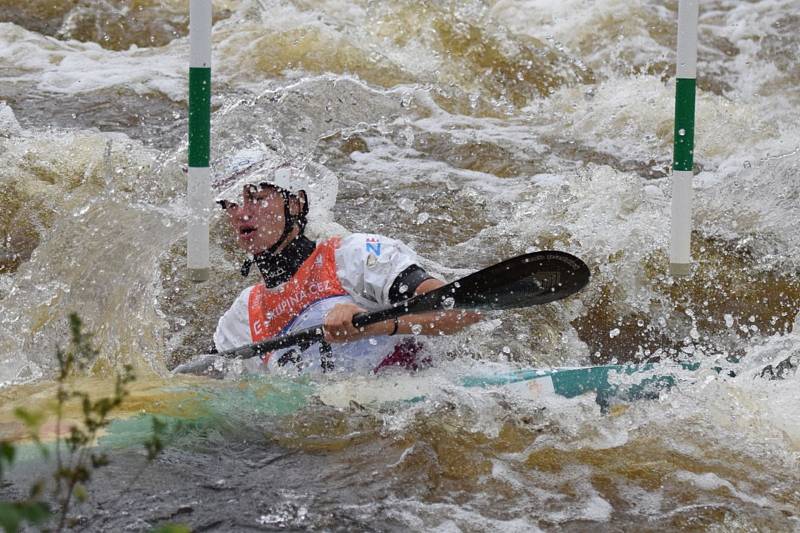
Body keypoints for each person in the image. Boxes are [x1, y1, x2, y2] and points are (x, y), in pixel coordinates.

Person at [208, 148, 480, 375]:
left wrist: (377, 326)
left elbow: (464, 310)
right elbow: (207, 390)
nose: (241, 213)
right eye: (231, 204)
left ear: (295, 204)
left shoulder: (353, 256)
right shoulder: (243, 315)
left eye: (256, 198)